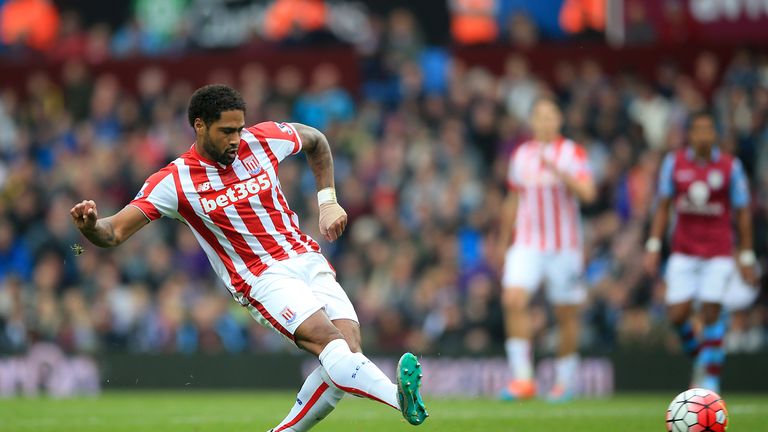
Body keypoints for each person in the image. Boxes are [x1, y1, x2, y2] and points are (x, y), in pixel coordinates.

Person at [70, 84, 428, 430]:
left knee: (348, 353)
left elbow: (316, 140)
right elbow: (114, 232)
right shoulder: (176, 180)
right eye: (227, 131)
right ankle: (399, 398)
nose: (236, 139)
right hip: (262, 277)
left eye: (239, 129)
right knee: (331, 344)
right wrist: (91, 227)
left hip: (306, 257)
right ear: (200, 126)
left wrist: (328, 201)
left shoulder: (262, 139)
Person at [644, 111, 755, 393]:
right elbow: (663, 206)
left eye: (708, 129)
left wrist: (746, 255)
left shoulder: (730, 166)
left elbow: (743, 212)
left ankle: (710, 379)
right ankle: (702, 358)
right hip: (683, 251)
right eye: (698, 130)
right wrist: (653, 245)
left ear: (715, 134)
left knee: (711, 309)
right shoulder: (674, 163)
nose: (703, 135)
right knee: (677, 315)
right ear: (690, 134)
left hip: (718, 251)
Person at [497, 97, 596, 402]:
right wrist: (503, 240)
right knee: (513, 299)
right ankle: (523, 379)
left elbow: (588, 194)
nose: (545, 122)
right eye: (539, 116)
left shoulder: (572, 153)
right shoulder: (521, 155)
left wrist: (560, 171)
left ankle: (565, 382)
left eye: (550, 116)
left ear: (559, 120)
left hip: (564, 246)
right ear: (532, 121)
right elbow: (513, 198)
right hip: (527, 242)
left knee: (565, 313)